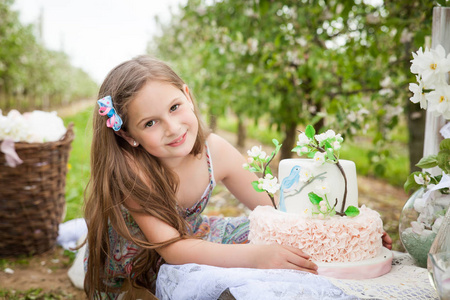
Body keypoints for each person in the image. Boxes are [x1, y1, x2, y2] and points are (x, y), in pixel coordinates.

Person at [83, 55, 393, 299]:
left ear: (188, 96)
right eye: (150, 123)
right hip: (141, 263)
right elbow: (174, 250)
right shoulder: (134, 173)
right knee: (244, 257)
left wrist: (348, 231)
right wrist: (255, 256)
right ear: (128, 135)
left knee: (263, 230)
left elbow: (278, 209)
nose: (173, 128)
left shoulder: (213, 151)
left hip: (192, 236)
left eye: (175, 107)